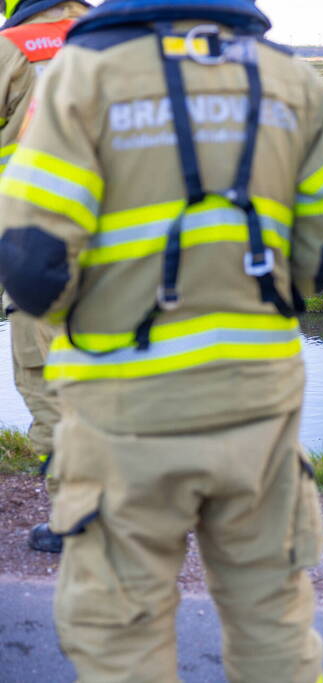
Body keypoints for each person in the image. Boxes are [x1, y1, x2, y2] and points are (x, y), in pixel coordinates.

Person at [0, 0, 323, 679]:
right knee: (275, 626)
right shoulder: (290, 80)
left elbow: (31, 264)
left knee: (122, 638)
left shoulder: (82, 75)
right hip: (259, 409)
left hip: (125, 419)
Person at [0, 0, 92, 553]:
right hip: (123, 250)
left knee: (47, 384)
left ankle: (75, 517)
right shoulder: (123, 39)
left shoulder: (13, 48)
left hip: (35, 246)